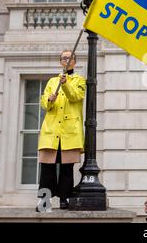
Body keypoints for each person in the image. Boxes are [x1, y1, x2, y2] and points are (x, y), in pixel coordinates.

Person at [36, 50, 86, 212]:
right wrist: (48, 100)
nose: (67, 60)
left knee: (67, 169)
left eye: (70, 58)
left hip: (69, 131)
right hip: (51, 131)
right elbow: (44, 103)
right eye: (64, 58)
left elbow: (76, 97)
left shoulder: (79, 80)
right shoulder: (52, 81)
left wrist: (65, 84)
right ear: (60, 62)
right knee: (47, 169)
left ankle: (64, 199)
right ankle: (44, 201)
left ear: (74, 62)